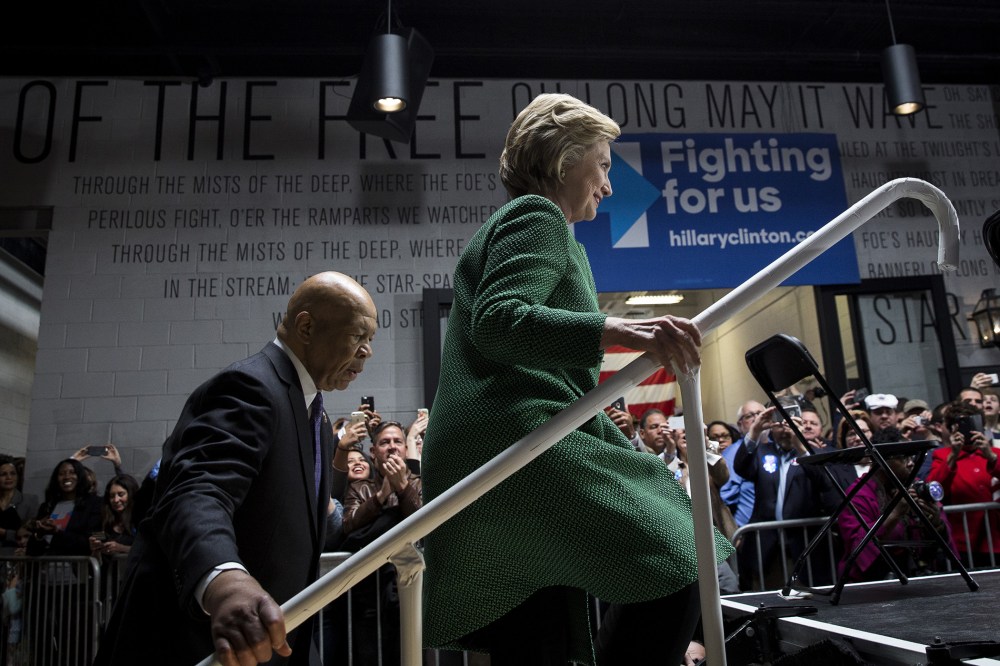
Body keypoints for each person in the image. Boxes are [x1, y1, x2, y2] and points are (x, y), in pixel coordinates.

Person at [421, 93, 732, 666]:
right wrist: (621, 330)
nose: (609, 185)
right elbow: (499, 321)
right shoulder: (536, 216)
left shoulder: (547, 231)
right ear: (565, 160)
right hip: (515, 438)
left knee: (536, 626)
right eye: (604, 164)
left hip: (508, 439)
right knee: (683, 550)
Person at [94, 271, 378, 666]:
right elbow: (196, 491)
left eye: (370, 341)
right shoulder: (252, 387)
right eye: (357, 337)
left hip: (274, 640)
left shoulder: (313, 412)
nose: (367, 352)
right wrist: (224, 581)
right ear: (307, 326)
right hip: (198, 642)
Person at [837, 449, 955, 582]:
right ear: (882, 461)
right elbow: (858, 547)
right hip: (873, 582)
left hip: (917, 574)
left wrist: (936, 522)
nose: (910, 463)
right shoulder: (858, 494)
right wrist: (896, 513)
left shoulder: (916, 485)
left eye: (912, 457)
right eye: (903, 458)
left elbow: (943, 535)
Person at [925, 400, 1000, 567]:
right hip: (963, 539)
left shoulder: (994, 453)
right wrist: (954, 454)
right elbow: (934, 487)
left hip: (995, 537)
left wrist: (990, 456)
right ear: (953, 429)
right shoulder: (943, 455)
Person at [89, 474, 140, 560]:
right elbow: (96, 560)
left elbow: (148, 550)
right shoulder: (103, 521)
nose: (116, 500)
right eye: (112, 496)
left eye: (121, 494)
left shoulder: (141, 520)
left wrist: (122, 548)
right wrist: (95, 547)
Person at [0, 457, 38, 555]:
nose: (9, 477)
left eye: (12, 473)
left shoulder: (30, 500)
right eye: (3, 474)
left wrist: (5, 533)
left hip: (17, 557)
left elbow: (30, 533)